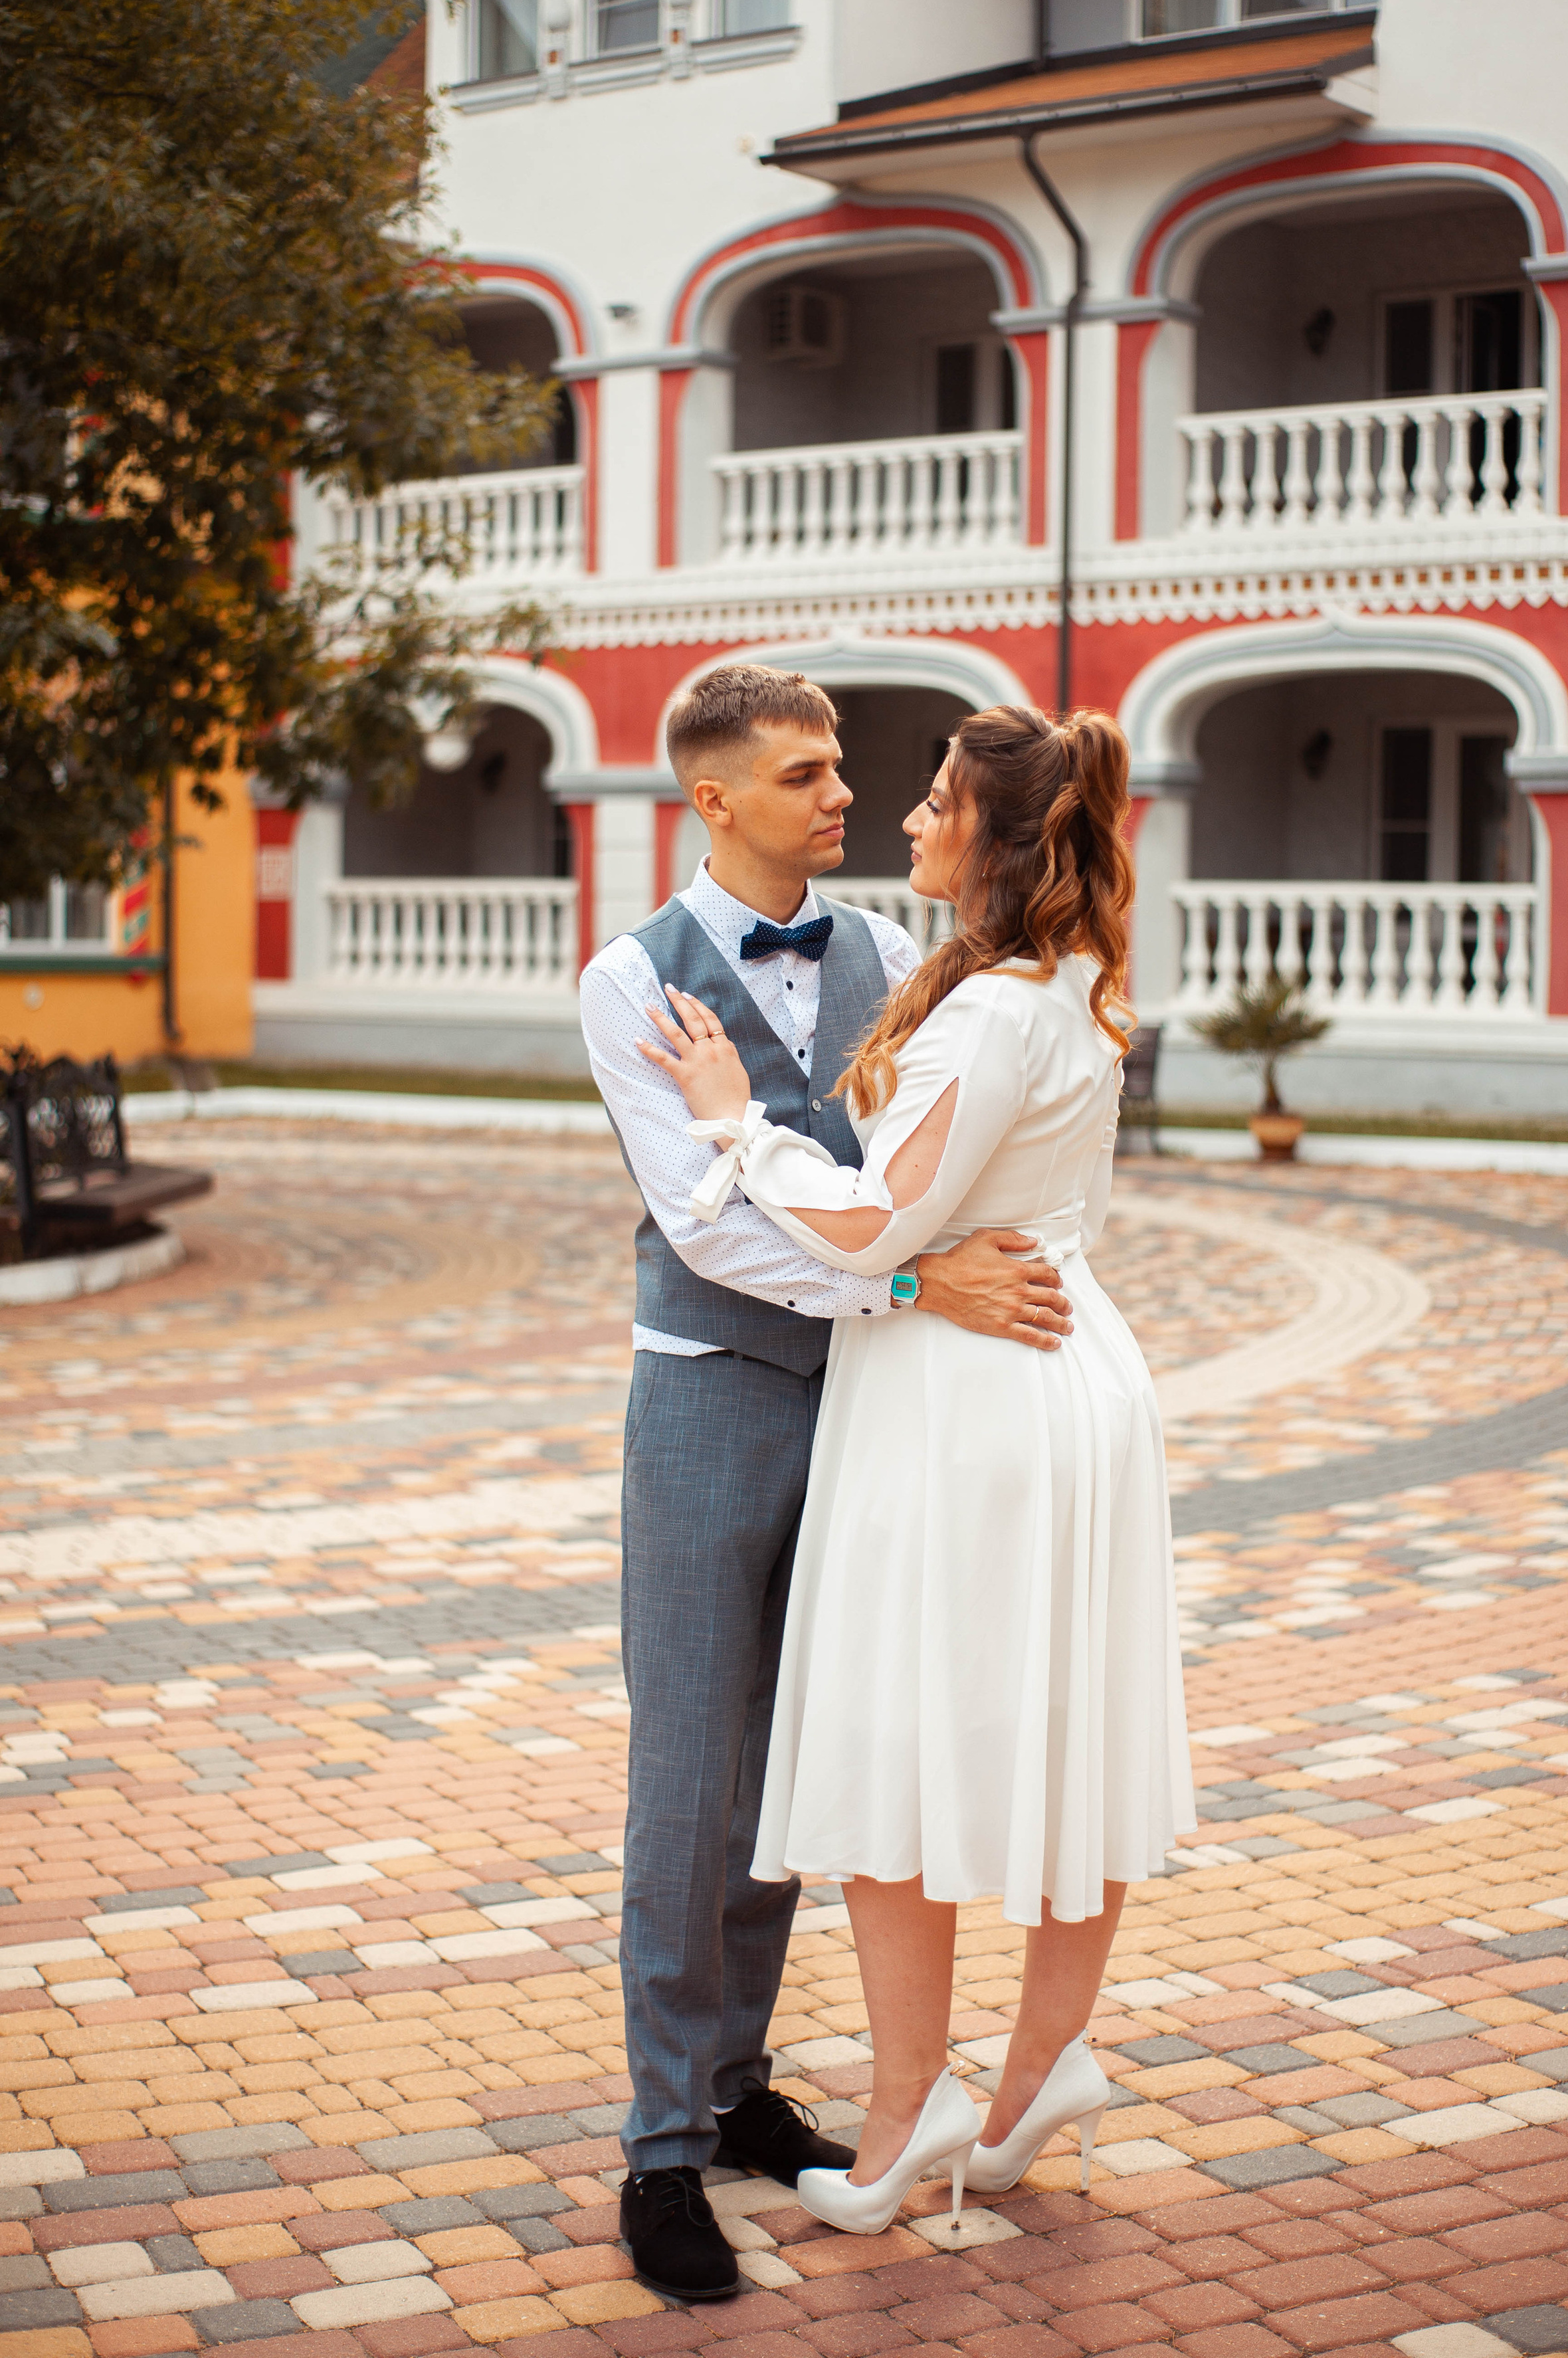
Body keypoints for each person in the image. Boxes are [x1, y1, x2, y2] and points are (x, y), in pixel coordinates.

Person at [638, 703, 1195, 2237]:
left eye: (933, 799)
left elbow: (871, 1228)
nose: (898, 817)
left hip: (963, 1401)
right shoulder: (1078, 986)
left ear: (991, 839)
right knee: (1062, 1739)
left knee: (899, 1745)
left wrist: (736, 1130)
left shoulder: (985, 1009)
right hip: (1072, 1371)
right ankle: (1033, 2074)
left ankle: (903, 2123)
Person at [579, 666, 1081, 2300]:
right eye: (802, 775)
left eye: (842, 770)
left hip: (876, 1406)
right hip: (713, 1400)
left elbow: (913, 1177)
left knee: (805, 1762)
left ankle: (735, 2094)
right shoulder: (629, 981)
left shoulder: (890, 952)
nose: (840, 796)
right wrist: (916, 1289)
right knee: (691, 1780)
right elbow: (710, 1220)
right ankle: (661, 2148)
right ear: (712, 799)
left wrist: (913, 1282)